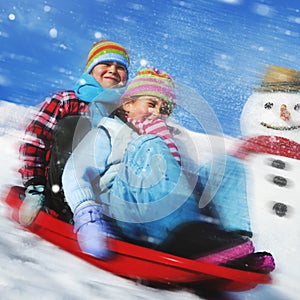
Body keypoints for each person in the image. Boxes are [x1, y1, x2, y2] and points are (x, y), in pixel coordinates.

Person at [61, 67, 275, 274]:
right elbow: (75, 170)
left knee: (227, 165)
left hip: (176, 212)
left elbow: (184, 182)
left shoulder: (170, 140)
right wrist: (87, 216)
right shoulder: (109, 131)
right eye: (151, 104)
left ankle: (231, 243)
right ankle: (186, 236)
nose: (156, 113)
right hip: (124, 212)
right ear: (127, 104)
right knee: (149, 144)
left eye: (164, 110)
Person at [18, 40, 130, 226]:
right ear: (91, 70)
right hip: (58, 190)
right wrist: (35, 187)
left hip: (104, 199)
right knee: (76, 125)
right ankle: (67, 204)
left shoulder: (126, 115)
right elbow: (35, 139)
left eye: (120, 67)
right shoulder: (67, 100)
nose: (112, 70)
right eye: (106, 64)